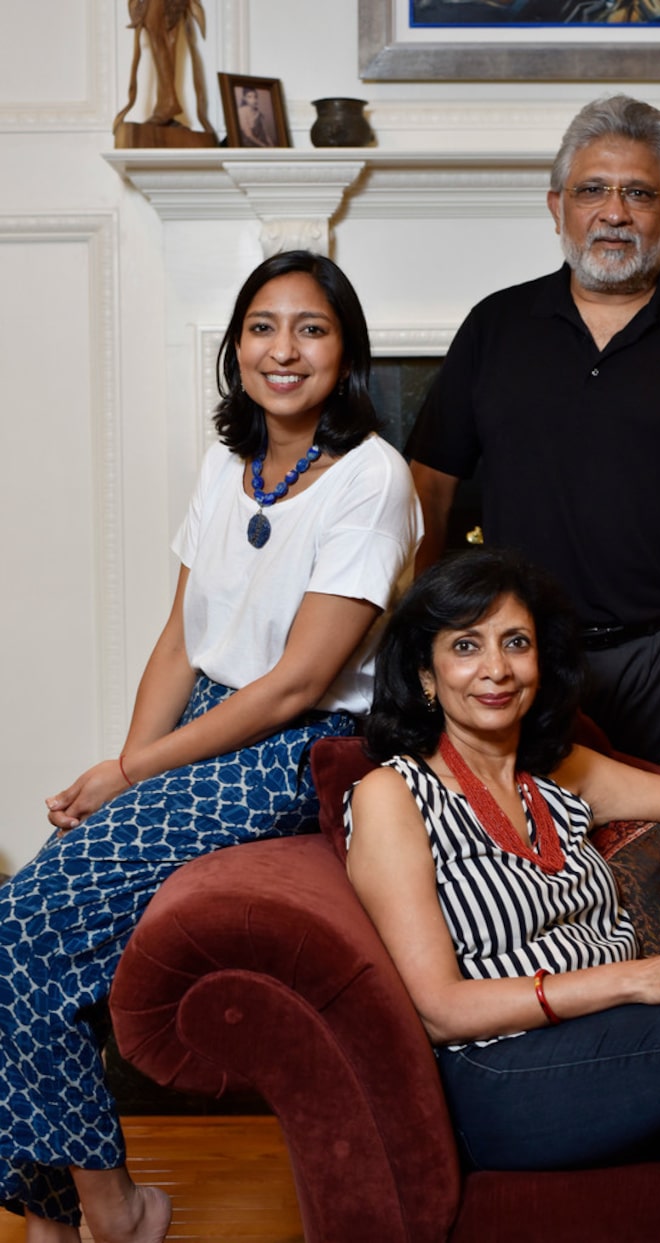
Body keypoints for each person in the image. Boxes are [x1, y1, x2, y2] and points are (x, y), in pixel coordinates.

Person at [0, 250, 422, 1241]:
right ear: (235, 349)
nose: (284, 349)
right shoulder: (224, 463)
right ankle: (63, 1212)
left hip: (295, 742)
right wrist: (124, 762)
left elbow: (300, 680)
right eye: (263, 326)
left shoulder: (371, 478)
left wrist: (132, 772)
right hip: (201, 723)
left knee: (17, 929)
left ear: (345, 352)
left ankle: (110, 1209)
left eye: (310, 328)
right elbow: (182, 635)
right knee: (24, 931)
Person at [345, 547, 660, 1241]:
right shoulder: (393, 794)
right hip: (508, 1076)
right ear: (426, 674)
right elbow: (440, 1010)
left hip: (621, 1050)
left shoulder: (562, 772)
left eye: (516, 642)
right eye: (465, 646)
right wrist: (641, 978)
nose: (496, 668)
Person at [406, 94, 660, 784]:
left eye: (639, 193)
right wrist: (435, 646)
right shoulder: (495, 326)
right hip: (519, 655)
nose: (614, 212)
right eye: (591, 190)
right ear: (556, 205)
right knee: (530, 859)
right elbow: (424, 495)